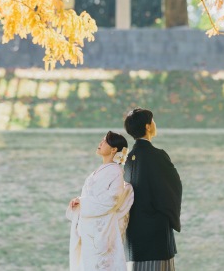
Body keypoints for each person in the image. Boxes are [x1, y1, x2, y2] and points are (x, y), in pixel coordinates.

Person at [123, 108, 182, 271]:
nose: (155, 124)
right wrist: (172, 217)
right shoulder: (157, 155)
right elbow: (172, 189)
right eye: (153, 121)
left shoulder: (128, 159)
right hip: (156, 233)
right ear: (148, 126)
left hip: (133, 234)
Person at [66, 131, 134, 271]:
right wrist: (79, 202)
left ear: (113, 149)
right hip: (91, 229)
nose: (100, 143)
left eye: (104, 141)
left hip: (101, 230)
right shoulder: (101, 171)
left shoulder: (115, 171)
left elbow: (112, 200)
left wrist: (83, 202)